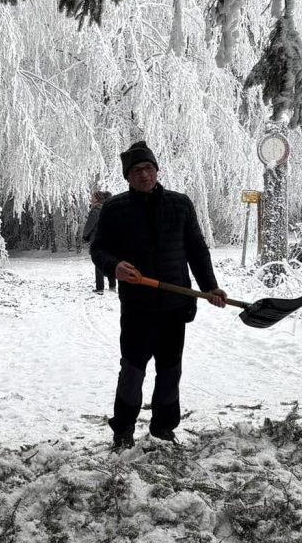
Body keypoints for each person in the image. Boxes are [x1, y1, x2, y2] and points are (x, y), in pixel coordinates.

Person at [90, 140, 226, 449]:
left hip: (175, 305)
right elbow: (98, 249)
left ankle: (163, 427)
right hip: (138, 307)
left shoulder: (180, 204)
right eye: (136, 170)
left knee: (169, 370)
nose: (144, 175)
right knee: (133, 370)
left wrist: (210, 288)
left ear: (157, 170)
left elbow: (196, 250)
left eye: (148, 168)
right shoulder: (115, 209)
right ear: (128, 176)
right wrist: (115, 267)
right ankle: (123, 429)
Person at [82, 191, 115, 293]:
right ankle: (112, 285)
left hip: (98, 239)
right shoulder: (108, 208)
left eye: (93, 197)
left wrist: (84, 236)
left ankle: (100, 287)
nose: (91, 198)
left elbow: (89, 225)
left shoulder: (96, 210)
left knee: (98, 262)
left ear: (97, 199)